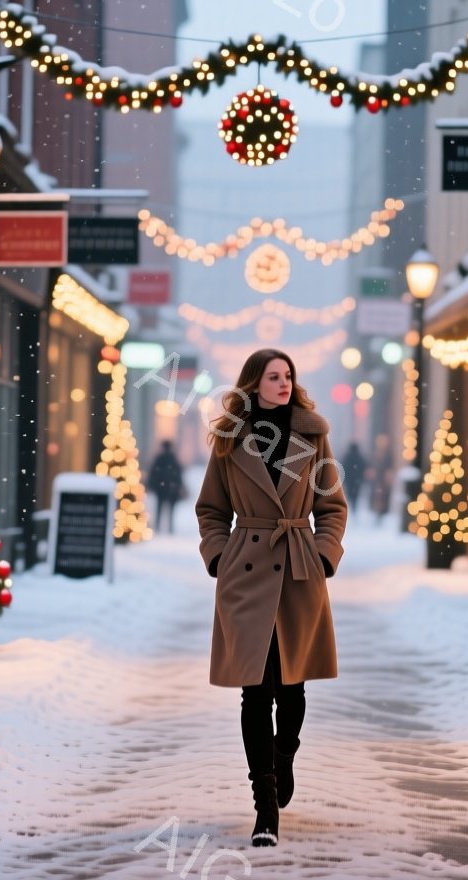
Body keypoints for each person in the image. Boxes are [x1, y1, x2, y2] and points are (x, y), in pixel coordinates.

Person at [196, 348, 347, 847]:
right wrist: (219, 556)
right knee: (254, 692)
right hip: (246, 571)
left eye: (288, 376)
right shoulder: (229, 438)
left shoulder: (313, 434)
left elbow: (332, 505)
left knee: (292, 687)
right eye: (273, 377)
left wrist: (324, 554)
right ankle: (264, 806)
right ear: (253, 384)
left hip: (301, 571)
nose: (283, 384)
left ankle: (284, 758)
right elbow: (210, 509)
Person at [147, 440, 185, 533]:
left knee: (159, 507)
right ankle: (170, 528)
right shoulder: (173, 459)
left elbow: (153, 473)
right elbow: (178, 474)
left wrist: (151, 485)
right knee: (171, 510)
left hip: (161, 487)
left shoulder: (159, 458)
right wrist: (179, 485)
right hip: (171, 488)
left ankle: (158, 527)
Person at [369, 432, 395, 521]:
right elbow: (371, 464)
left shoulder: (388, 454)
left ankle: (382, 512)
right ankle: (376, 510)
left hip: (384, 478)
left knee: (383, 495)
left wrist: (388, 475)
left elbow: (390, 466)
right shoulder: (375, 453)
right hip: (377, 478)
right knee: (376, 495)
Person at [340, 441, 367, 517]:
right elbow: (363, 467)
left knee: (349, 493)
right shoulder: (360, 457)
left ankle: (350, 507)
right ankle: (354, 507)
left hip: (349, 479)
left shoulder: (347, 456)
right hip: (357, 480)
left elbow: (343, 467)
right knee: (356, 495)